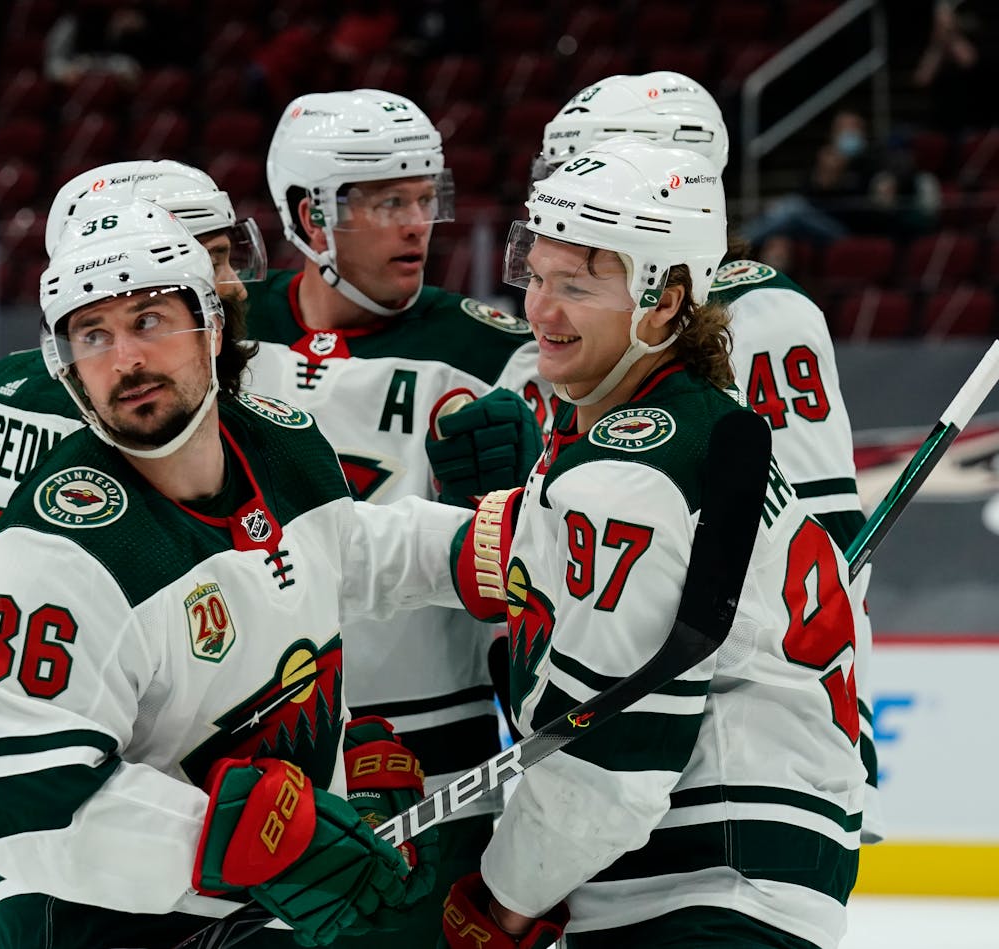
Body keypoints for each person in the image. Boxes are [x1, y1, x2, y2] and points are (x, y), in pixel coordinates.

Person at [0, 196, 468, 948]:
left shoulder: (281, 445)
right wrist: (235, 837)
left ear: (213, 324)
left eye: (150, 321)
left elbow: (346, 550)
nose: (125, 360)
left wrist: (489, 548)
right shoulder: (59, 546)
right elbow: (18, 805)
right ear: (67, 368)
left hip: (264, 911)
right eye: (94, 335)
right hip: (111, 926)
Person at [441, 139, 866, 949]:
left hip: (704, 884)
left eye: (577, 285)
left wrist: (501, 902)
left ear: (666, 300)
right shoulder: (679, 433)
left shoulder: (632, 471)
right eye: (536, 276)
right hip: (737, 878)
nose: (541, 311)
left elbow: (613, 761)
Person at [0, 161, 272, 945]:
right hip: (98, 814)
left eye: (226, 258)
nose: (227, 284)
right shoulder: (149, 415)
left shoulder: (3, 390)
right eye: (206, 259)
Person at [533, 71, 883, 840]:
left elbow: (824, 546)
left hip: (724, 753)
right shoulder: (601, 331)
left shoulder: (762, 312)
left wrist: (832, 704)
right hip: (627, 734)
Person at [249, 87, 546, 945]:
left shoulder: (497, 354)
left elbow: (537, 573)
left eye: (426, 198)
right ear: (309, 214)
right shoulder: (217, 341)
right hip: (251, 764)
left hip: (432, 766)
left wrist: (513, 494)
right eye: (387, 202)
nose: (419, 225)